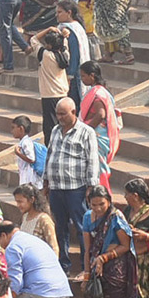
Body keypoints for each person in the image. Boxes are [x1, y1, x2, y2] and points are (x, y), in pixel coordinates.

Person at [80, 184, 136, 298]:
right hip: (96, 271)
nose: (97, 209)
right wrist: (87, 274)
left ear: (109, 202)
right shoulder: (88, 217)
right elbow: (87, 249)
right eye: (93, 205)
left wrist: (105, 257)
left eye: (101, 204)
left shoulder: (116, 218)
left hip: (114, 272)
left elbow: (125, 245)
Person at [45, 97, 99, 276]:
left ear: (73, 113)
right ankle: (63, 266)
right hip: (56, 187)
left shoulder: (86, 132)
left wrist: (91, 186)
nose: (59, 117)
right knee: (60, 227)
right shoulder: (55, 130)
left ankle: (86, 267)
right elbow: (50, 155)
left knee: (81, 227)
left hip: (76, 188)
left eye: (62, 114)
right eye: (57, 114)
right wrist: (46, 181)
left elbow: (92, 160)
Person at [78, 62, 121, 192]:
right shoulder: (100, 91)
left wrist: (86, 130)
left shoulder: (97, 94)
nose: (82, 79)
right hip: (98, 135)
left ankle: (103, 194)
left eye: (84, 76)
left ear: (92, 76)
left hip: (98, 137)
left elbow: (100, 114)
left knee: (98, 168)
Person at [31, 28, 71, 144]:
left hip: (49, 95)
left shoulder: (45, 55)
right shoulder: (65, 54)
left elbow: (34, 39)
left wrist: (48, 29)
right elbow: (64, 44)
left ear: (48, 45)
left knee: (50, 127)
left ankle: (51, 149)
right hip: (63, 94)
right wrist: (63, 36)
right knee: (63, 125)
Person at [12, 116, 42, 188]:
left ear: (21, 129)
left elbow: (31, 159)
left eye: (13, 128)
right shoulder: (23, 142)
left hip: (29, 179)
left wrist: (18, 153)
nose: (12, 131)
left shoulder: (26, 142)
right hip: (26, 178)